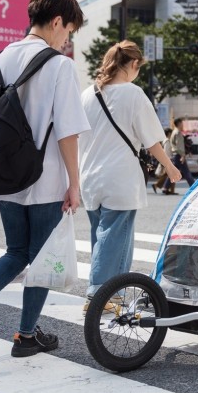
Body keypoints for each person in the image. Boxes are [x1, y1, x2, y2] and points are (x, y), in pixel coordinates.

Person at [0, 0, 90, 361]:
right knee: (41, 260)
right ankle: (25, 335)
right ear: (57, 21)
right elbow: (68, 130)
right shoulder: (60, 65)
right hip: (44, 179)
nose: (66, 40)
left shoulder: (3, 57)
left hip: (6, 175)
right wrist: (75, 183)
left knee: (16, 251)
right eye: (68, 32)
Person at [79, 40, 181, 310]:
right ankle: (99, 294)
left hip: (89, 176)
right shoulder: (133, 94)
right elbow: (152, 141)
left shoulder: (88, 94)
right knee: (115, 236)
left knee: (103, 237)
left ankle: (112, 293)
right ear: (134, 64)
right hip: (119, 177)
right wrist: (169, 167)